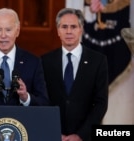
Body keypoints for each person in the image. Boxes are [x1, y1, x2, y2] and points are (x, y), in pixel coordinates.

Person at [41, 8, 108, 141]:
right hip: (54, 136)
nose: (69, 31)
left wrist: (81, 135)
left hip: (85, 137)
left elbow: (101, 103)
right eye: (64, 27)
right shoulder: (45, 61)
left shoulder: (98, 61)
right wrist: (54, 132)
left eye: (73, 27)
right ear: (58, 30)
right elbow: (42, 100)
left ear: (81, 29)